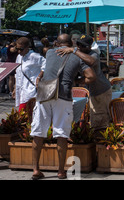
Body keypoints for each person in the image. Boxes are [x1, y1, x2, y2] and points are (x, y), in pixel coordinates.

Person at [31, 34, 96, 180]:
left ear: (56, 43)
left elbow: (46, 67)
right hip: (63, 95)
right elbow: (91, 76)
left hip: (44, 94)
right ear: (71, 43)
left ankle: (35, 169)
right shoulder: (77, 56)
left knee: (38, 131)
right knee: (61, 133)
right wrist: (77, 80)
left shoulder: (49, 52)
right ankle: (61, 171)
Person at [56, 35, 112, 135]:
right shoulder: (80, 54)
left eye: (83, 46)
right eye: (79, 44)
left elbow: (91, 61)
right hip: (93, 91)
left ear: (89, 47)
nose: (80, 47)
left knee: (101, 119)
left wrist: (74, 51)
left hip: (101, 91)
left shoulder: (93, 54)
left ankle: (102, 145)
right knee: (95, 118)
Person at [13, 37, 46, 112]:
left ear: (27, 47)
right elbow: (17, 73)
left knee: (24, 114)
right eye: (17, 49)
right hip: (21, 89)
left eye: (21, 49)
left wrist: (39, 77)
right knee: (24, 115)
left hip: (31, 89)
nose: (18, 51)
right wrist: (15, 88)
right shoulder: (19, 57)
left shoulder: (34, 56)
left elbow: (46, 64)